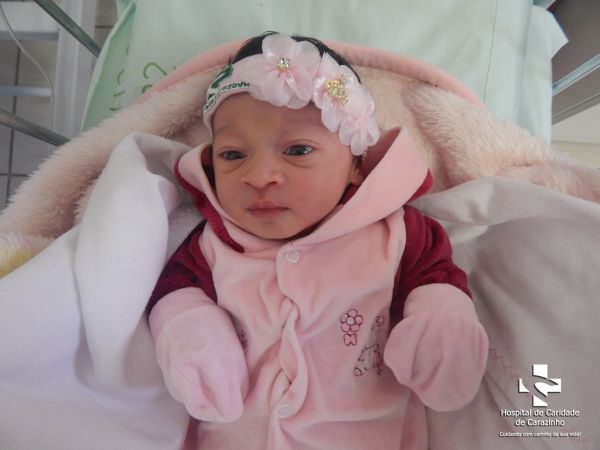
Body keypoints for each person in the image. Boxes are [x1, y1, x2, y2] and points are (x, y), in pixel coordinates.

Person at [148, 32, 488, 450]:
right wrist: (192, 331)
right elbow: (176, 288)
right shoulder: (214, 240)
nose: (259, 176)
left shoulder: (396, 234)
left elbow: (437, 278)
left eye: (298, 150)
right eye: (233, 155)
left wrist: (441, 327)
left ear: (356, 165)